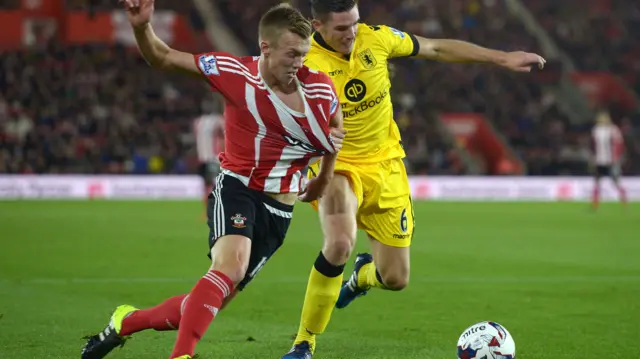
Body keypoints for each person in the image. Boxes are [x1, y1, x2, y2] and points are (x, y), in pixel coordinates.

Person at [80, 1, 346, 359]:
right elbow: (163, 57)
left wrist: (323, 179)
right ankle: (181, 356)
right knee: (229, 268)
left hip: (279, 211)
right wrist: (143, 27)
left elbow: (335, 132)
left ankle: (125, 322)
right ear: (265, 47)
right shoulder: (233, 73)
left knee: (205, 303)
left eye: (304, 54)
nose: (299, 63)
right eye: (291, 54)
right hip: (238, 187)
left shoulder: (320, 89)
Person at [282, 1, 546, 358]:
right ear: (317, 25)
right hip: (337, 165)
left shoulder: (378, 39)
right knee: (340, 243)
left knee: (395, 279)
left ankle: (362, 277)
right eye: (342, 28)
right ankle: (304, 343)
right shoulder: (302, 60)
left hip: (387, 166)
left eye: (355, 24)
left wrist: (501, 58)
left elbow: (435, 47)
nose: (352, 33)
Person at [591, 110, 627, 209]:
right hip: (599, 160)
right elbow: (593, 145)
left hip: (611, 160)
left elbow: (619, 144)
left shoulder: (613, 130)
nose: (602, 120)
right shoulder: (596, 130)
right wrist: (593, 157)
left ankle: (624, 201)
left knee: (616, 181)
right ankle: (595, 204)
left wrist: (616, 157)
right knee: (597, 181)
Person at [193, 113, 225, 216]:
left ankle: (210, 210)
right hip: (214, 158)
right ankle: (211, 210)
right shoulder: (219, 120)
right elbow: (224, 137)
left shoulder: (197, 122)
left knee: (208, 185)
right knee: (213, 185)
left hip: (203, 158)